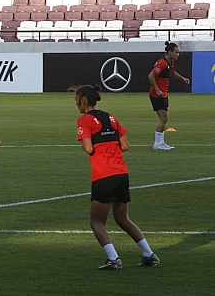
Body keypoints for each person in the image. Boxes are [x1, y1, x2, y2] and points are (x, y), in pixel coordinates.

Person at [71, 84, 159, 270]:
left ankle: (114, 259)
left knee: (96, 222)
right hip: (121, 173)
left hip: (103, 174)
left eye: (76, 99)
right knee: (123, 219)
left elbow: (88, 148)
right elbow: (125, 146)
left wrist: (94, 146)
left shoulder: (84, 119)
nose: (76, 103)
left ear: (84, 100)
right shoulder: (110, 117)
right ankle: (149, 254)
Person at [148, 41, 190, 150]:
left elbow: (172, 73)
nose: (178, 55)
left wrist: (182, 78)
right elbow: (151, 76)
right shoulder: (162, 63)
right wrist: (157, 90)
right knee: (163, 118)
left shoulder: (170, 62)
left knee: (165, 119)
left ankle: (161, 143)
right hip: (158, 94)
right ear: (169, 52)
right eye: (176, 52)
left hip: (163, 93)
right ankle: (157, 144)